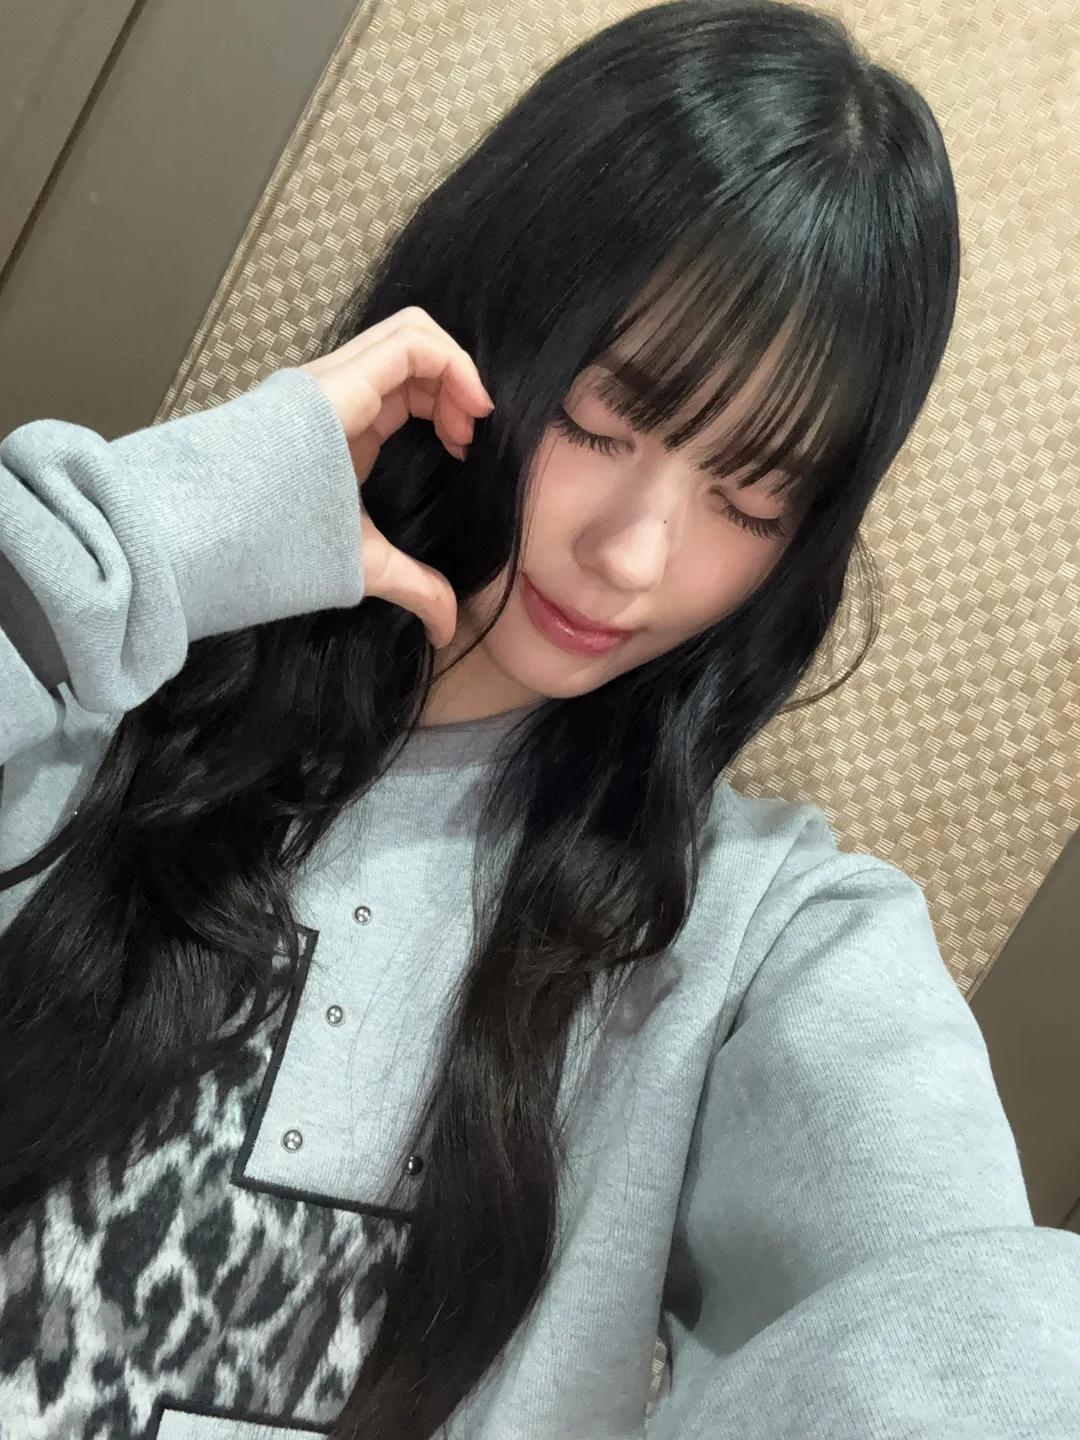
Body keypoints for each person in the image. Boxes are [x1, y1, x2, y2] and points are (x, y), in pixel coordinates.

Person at [1, 1, 1078, 1437]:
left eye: (752, 498)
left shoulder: (756, 940)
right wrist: (160, 538)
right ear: (484, 325)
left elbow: (991, 1340)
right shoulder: (104, 646)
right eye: (602, 420)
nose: (634, 556)